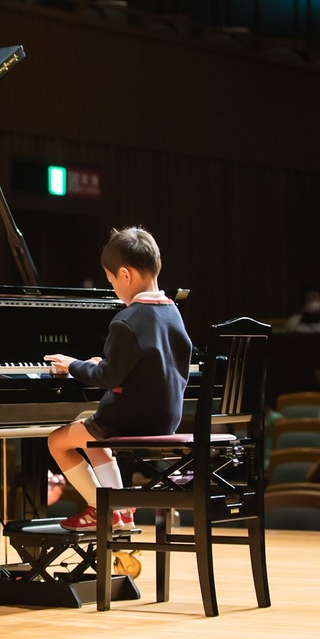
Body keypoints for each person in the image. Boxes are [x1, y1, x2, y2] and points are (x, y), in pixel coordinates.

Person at [42, 226, 192, 531]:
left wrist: (73, 365)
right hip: (167, 418)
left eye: (111, 281)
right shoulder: (172, 311)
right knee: (90, 435)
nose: (113, 289)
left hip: (131, 419)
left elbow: (107, 377)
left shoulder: (127, 320)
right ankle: (121, 512)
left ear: (124, 274)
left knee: (57, 441)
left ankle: (102, 509)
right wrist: (107, 365)